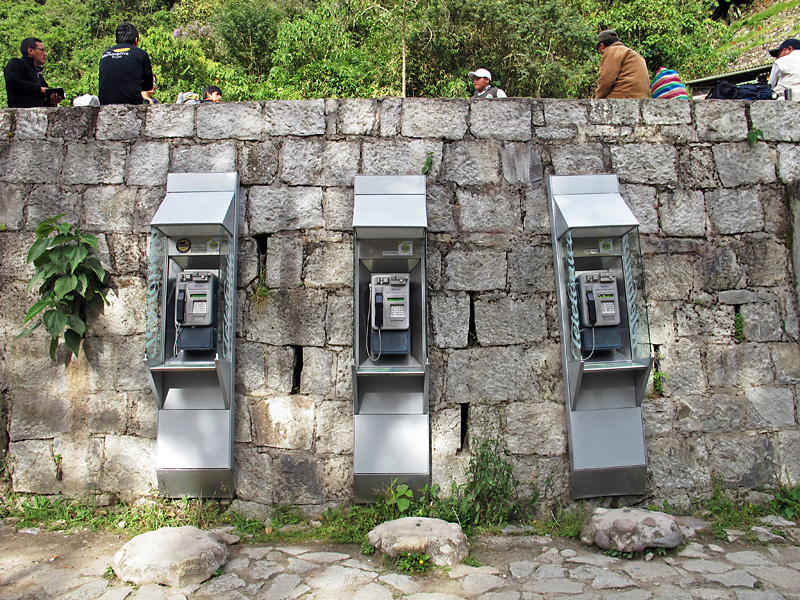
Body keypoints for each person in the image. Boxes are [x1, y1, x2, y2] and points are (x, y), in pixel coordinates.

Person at [98, 22, 153, 105]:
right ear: (135, 40)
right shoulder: (140, 54)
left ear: (116, 40)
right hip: (132, 104)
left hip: (105, 104)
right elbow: (148, 86)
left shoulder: (105, 55)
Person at [4, 38, 62, 108]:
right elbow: (13, 81)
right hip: (20, 113)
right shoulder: (17, 63)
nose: (45, 54)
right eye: (41, 50)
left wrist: (51, 102)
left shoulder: (39, 75)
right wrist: (40, 90)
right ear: (30, 50)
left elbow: (40, 102)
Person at [595, 30, 650, 99]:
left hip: (624, 95)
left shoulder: (612, 51)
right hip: (642, 97)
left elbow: (606, 81)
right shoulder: (632, 53)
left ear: (602, 46)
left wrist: (597, 99)